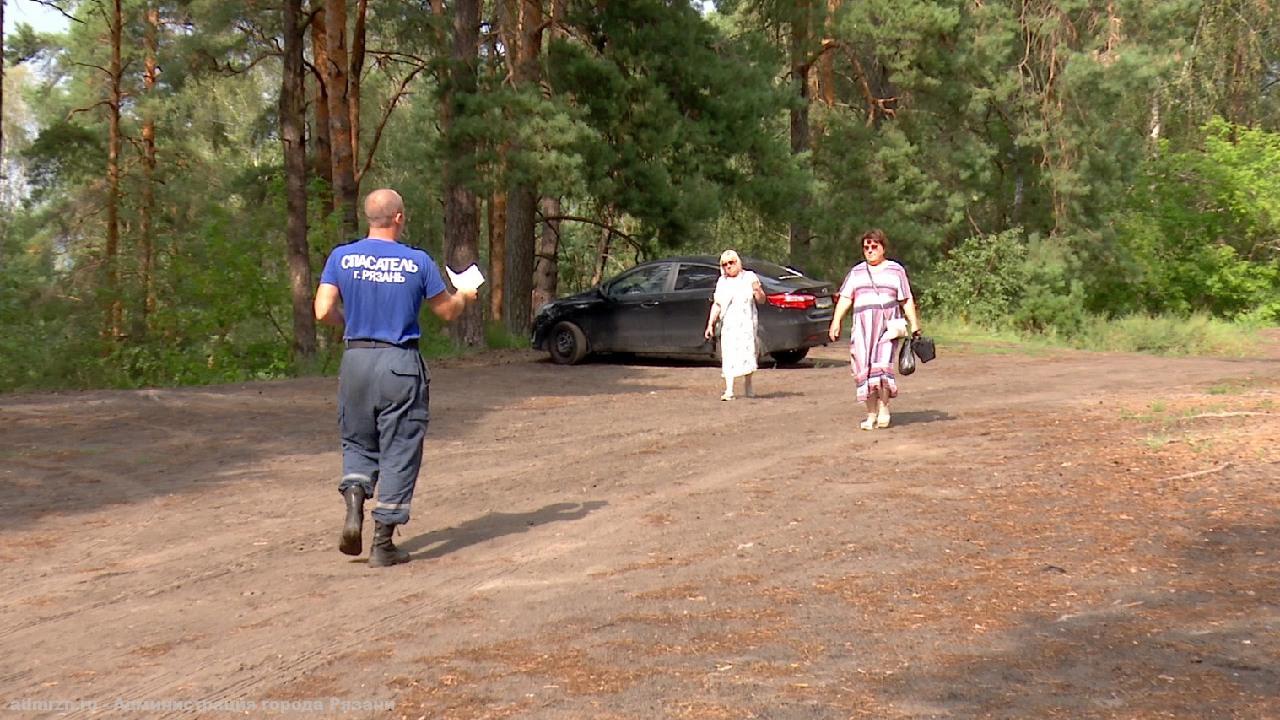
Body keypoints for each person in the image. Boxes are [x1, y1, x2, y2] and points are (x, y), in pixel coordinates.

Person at [314, 188, 477, 567]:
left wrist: (349, 322)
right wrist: (465, 294)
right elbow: (448, 312)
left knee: (357, 440)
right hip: (399, 364)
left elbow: (322, 311)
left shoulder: (341, 256)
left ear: (369, 217)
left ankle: (355, 497)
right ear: (399, 217)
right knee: (400, 448)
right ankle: (382, 543)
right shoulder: (417, 262)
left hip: (356, 360)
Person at [827, 229, 921, 430]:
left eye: (874, 247)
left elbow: (906, 298)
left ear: (883, 248)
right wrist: (836, 321)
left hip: (886, 327)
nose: (870, 251)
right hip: (862, 328)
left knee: (881, 366)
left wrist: (914, 324)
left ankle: (884, 408)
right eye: (866, 247)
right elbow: (846, 298)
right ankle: (870, 414)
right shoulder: (857, 272)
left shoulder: (896, 270)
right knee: (863, 368)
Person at [704, 250, 765, 401]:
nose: (728, 266)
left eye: (731, 262)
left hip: (746, 323)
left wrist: (757, 290)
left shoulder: (749, 277)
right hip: (729, 324)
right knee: (729, 353)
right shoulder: (722, 282)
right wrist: (710, 324)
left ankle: (748, 385)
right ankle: (729, 389)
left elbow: (761, 300)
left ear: (738, 262)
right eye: (725, 264)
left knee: (747, 352)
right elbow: (717, 304)